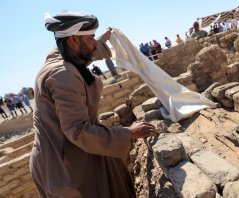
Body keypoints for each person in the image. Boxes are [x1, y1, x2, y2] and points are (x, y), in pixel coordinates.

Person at [30, 11, 158, 198]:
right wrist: (128, 133)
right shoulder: (63, 75)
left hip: (67, 157)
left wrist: (104, 38)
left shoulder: (63, 59)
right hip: (67, 169)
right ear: (73, 39)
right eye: (90, 38)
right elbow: (77, 130)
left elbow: (84, 55)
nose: (94, 44)